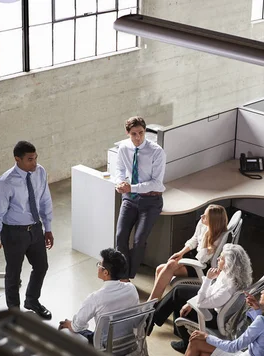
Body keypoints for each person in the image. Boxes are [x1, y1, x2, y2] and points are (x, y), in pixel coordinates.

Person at [0, 141, 54, 320]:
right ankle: (14, 313)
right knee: (13, 273)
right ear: (17, 159)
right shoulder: (5, 183)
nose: (34, 163)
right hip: (14, 233)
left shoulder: (40, 172)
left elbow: (45, 200)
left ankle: (32, 300)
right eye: (30, 160)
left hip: (36, 228)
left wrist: (48, 228)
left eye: (35, 158)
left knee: (41, 266)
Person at [149, 244, 253, 354]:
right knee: (178, 291)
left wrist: (208, 279)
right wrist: (190, 302)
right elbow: (212, 291)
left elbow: (201, 302)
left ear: (229, 264)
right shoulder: (230, 275)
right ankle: (152, 318)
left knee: (179, 302)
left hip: (213, 318)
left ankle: (153, 321)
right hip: (212, 302)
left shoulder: (227, 290)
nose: (217, 259)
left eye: (221, 258)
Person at [115, 116, 166, 280]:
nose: (138, 137)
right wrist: (120, 182)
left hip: (151, 201)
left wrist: (132, 187)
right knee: (120, 236)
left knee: (138, 241)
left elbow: (156, 182)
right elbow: (120, 170)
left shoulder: (157, 151)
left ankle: (128, 275)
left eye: (141, 133)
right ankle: (123, 276)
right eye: (134, 134)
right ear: (127, 133)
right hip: (130, 199)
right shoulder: (123, 148)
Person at [58, 248, 139, 344]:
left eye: (100, 265)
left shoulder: (95, 298)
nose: (98, 267)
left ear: (106, 273)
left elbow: (76, 327)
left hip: (105, 347)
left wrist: (69, 324)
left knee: (65, 329)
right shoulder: (131, 289)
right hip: (129, 343)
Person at [148, 204, 228, 301]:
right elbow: (194, 239)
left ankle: (151, 303)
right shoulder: (202, 223)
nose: (201, 216)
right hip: (194, 256)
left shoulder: (218, 237)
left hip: (202, 265)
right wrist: (181, 253)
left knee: (164, 268)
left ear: (212, 222)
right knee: (160, 268)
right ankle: (154, 303)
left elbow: (202, 258)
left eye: (205, 216)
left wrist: (206, 237)